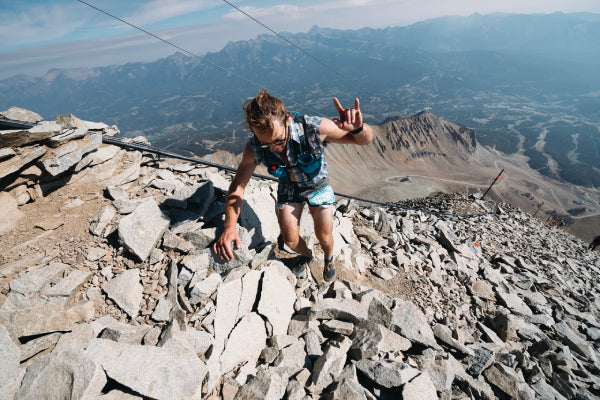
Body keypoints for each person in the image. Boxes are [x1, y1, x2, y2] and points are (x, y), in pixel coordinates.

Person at [213, 90, 374, 282]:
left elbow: (364, 140)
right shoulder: (254, 147)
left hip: (317, 185)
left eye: (279, 140)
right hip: (289, 188)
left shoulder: (313, 128)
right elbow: (238, 187)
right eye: (266, 144)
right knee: (290, 240)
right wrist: (229, 227)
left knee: (324, 236)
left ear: (287, 120)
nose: (274, 148)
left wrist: (358, 128)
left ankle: (329, 258)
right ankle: (306, 255)